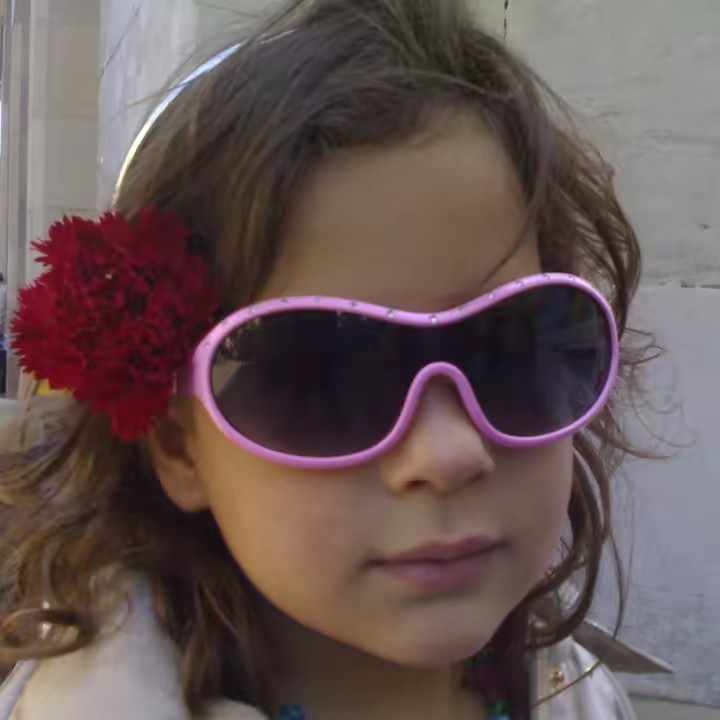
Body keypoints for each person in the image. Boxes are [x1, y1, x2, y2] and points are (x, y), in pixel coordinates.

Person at [0, 1, 654, 718]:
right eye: (328, 376)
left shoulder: (582, 695)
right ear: (179, 444)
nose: (449, 452)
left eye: (510, 349)